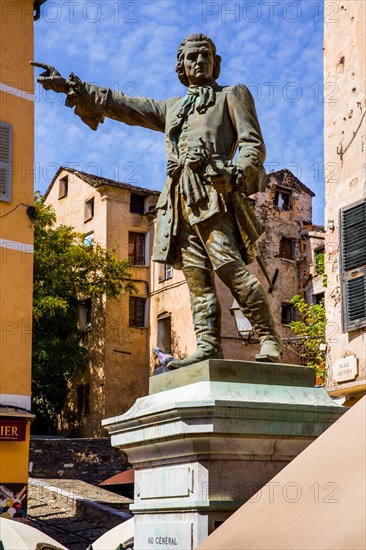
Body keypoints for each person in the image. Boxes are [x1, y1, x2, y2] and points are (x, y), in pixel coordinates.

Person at [32, 33, 282, 368]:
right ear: (182, 66)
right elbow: (122, 104)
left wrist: (235, 174)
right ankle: (207, 345)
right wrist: (72, 87)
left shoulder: (232, 95)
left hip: (212, 194)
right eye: (192, 57)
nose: (199, 62)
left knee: (229, 267)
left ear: (215, 61)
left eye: (205, 55)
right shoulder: (172, 109)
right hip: (178, 202)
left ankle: (269, 339)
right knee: (196, 280)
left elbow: (253, 146)